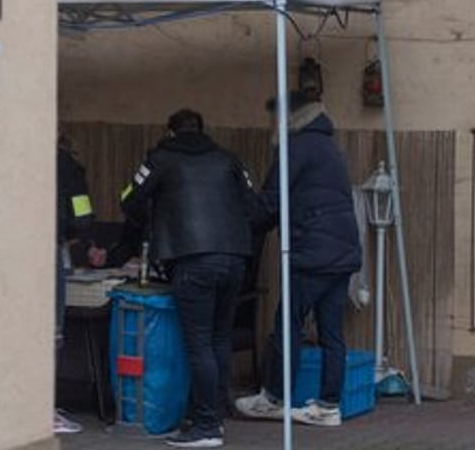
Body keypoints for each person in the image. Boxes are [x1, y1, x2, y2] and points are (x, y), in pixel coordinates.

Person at [121, 109, 259, 449]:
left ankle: (206, 426)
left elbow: (130, 200)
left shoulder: (161, 158)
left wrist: (152, 220)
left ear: (170, 132)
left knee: (198, 344)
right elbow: (255, 206)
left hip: (191, 259)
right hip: (235, 259)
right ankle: (216, 411)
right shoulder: (230, 159)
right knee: (219, 339)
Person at [234, 90, 362, 428]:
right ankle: (328, 405)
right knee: (332, 333)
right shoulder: (328, 146)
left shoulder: (294, 147)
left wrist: (241, 205)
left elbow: (272, 203)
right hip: (343, 251)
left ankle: (274, 398)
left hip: (312, 253)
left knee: (286, 327)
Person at [54, 136, 95, 435]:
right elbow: (82, 214)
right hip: (51, 246)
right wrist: (76, 234)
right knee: (52, 332)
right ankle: (45, 407)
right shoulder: (67, 165)